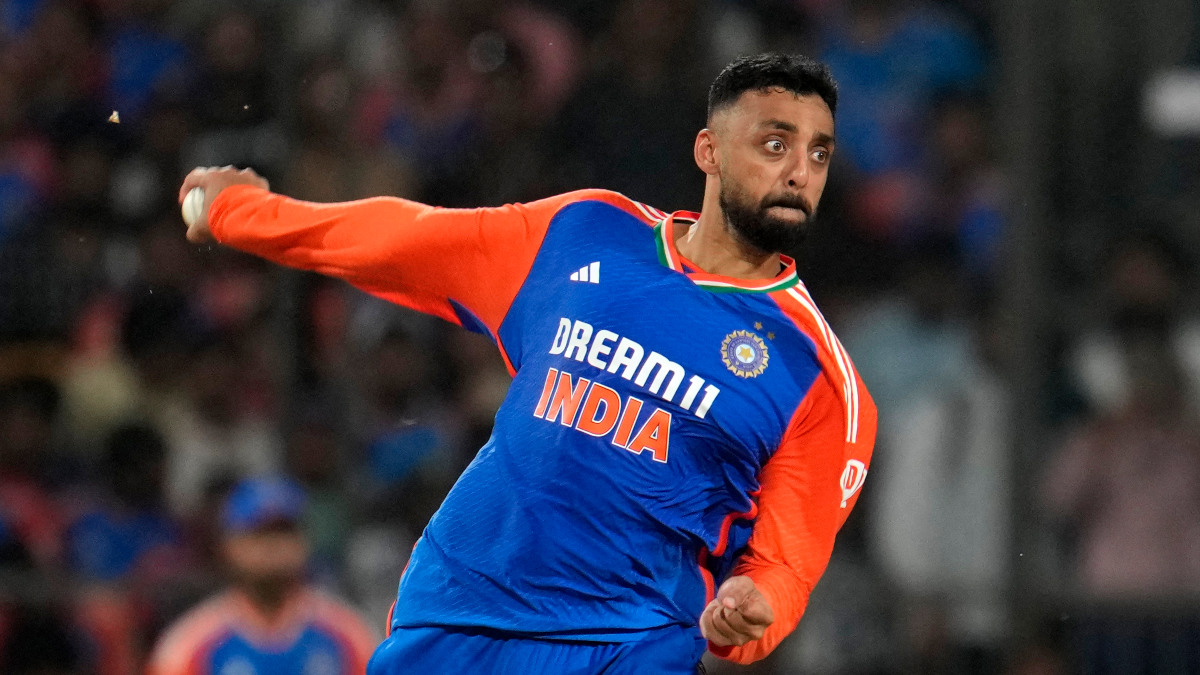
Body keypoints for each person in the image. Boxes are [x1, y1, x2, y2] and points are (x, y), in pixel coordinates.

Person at [178, 53, 877, 673]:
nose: (798, 171)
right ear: (710, 151)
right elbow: (400, 240)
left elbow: (785, 566)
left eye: (819, 153)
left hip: (628, 643)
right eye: (775, 143)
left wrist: (752, 608)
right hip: (460, 610)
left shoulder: (823, 380)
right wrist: (244, 212)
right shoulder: (585, 231)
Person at [145, 476, 376, 675]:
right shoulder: (190, 644)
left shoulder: (347, 634)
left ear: (305, 542)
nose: (272, 546)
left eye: (284, 532)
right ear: (229, 545)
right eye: (259, 533)